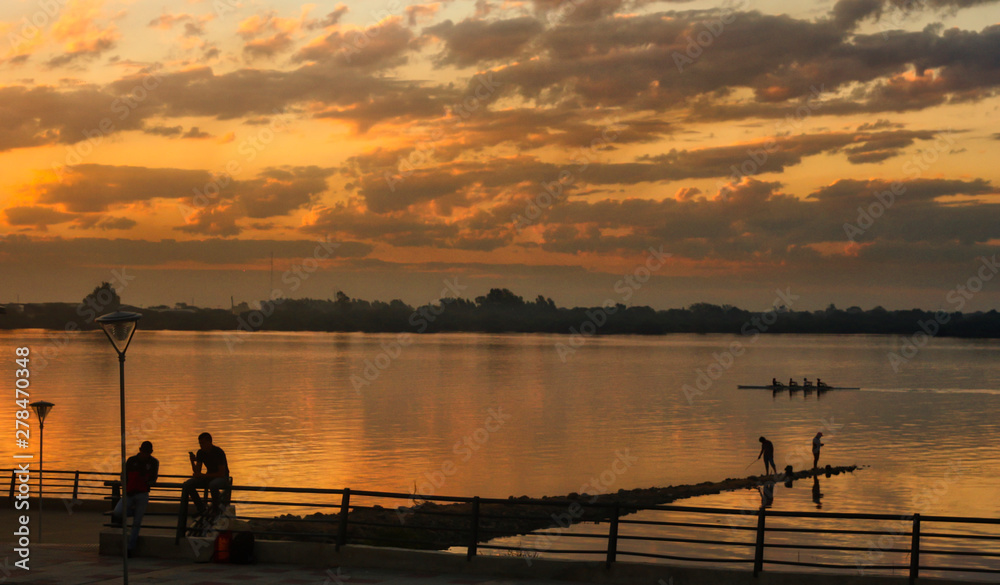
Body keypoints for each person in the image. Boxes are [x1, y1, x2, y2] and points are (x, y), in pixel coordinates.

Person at [112, 441, 159, 556]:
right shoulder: (131, 460)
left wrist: (147, 482)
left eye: (147, 453)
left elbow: (154, 478)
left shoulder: (153, 462)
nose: (145, 454)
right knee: (117, 512)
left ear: (151, 452)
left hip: (142, 494)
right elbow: (124, 475)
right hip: (129, 493)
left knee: (137, 523)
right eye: (143, 452)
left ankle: (130, 547)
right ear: (140, 450)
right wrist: (126, 485)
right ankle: (134, 512)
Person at [182, 432, 230, 515]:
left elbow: (221, 473)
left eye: (203, 443)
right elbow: (197, 472)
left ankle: (216, 510)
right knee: (188, 484)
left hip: (222, 478)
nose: (201, 445)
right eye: (200, 443)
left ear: (210, 442)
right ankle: (201, 508)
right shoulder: (200, 453)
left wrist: (203, 475)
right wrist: (192, 462)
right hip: (209, 477)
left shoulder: (218, 452)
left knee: (213, 485)